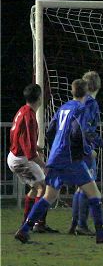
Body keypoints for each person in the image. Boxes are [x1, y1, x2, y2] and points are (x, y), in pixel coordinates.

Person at [15, 79, 103, 244]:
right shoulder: (81, 108)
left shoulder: (63, 107)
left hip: (56, 156)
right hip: (71, 158)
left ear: (72, 92)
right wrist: (87, 151)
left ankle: (24, 230)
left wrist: (56, 147)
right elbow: (79, 131)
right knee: (94, 194)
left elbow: (50, 130)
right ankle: (101, 235)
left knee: (49, 196)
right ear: (86, 93)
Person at [69, 71, 103, 236]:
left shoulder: (78, 102)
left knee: (80, 187)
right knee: (87, 188)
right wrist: (100, 145)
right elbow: (87, 130)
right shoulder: (90, 103)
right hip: (83, 148)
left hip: (73, 147)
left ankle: (75, 225)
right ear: (96, 86)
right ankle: (81, 226)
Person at [7, 84, 55, 232]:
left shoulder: (23, 110)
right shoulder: (30, 117)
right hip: (21, 160)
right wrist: (43, 165)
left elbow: (19, 137)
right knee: (43, 187)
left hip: (17, 156)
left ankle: (28, 223)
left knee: (36, 188)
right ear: (39, 98)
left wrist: (33, 148)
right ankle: (37, 224)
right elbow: (29, 152)